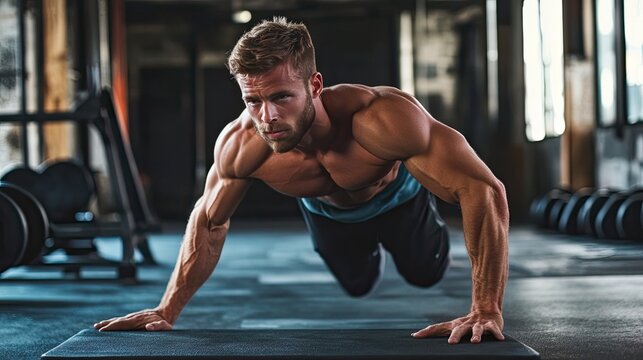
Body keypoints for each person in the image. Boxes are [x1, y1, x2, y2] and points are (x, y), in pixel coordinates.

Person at [94, 17, 509, 345]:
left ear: (314, 85)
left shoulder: (383, 118)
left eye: (280, 97)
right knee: (358, 283)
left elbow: (483, 189)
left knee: (424, 273)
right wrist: (167, 310)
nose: (267, 117)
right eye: (252, 101)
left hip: (398, 202)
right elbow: (208, 221)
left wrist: (486, 308)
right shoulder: (242, 145)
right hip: (329, 216)